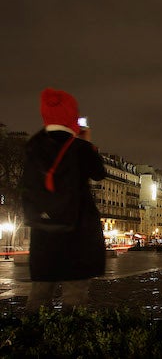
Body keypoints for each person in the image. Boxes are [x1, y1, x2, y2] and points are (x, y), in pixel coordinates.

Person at [23, 88, 106, 312]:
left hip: (44, 233)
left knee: (39, 295)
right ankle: (69, 341)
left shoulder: (33, 147)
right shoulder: (79, 148)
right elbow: (98, 173)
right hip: (76, 231)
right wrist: (86, 143)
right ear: (71, 117)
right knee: (75, 297)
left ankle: (30, 340)